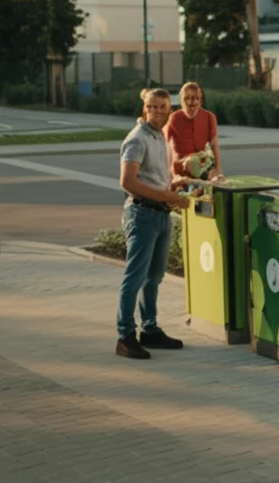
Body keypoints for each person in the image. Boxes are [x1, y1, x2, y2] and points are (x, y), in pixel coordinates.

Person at [116, 88, 190, 360]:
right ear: (144, 109)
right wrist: (168, 197)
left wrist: (174, 186)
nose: (157, 111)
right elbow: (128, 182)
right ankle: (125, 336)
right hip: (142, 215)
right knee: (134, 277)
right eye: (152, 107)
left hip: (160, 214)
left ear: (170, 110)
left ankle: (150, 330)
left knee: (154, 277)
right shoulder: (137, 139)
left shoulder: (159, 136)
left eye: (162, 107)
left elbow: (153, 177)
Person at [165, 81, 223, 181]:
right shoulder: (173, 118)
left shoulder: (209, 117)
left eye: (196, 98)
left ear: (200, 101)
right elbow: (164, 145)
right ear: (181, 100)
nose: (191, 102)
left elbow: (215, 145)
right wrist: (168, 172)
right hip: (180, 172)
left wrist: (218, 170)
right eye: (187, 98)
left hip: (203, 169)